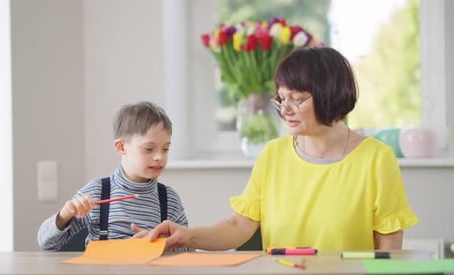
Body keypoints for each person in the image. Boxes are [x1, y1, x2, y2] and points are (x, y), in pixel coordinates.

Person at [140, 47, 419, 251]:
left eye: (296, 99)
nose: (285, 109)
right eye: (281, 98)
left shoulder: (376, 159)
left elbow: (389, 247)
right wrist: (187, 235)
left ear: (330, 95)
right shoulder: (273, 155)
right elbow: (239, 228)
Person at [37, 101, 191, 251]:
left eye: (165, 149)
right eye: (149, 149)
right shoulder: (96, 192)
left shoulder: (169, 199)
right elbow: (46, 243)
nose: (159, 157)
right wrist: (64, 216)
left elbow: (188, 248)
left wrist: (161, 243)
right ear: (122, 147)